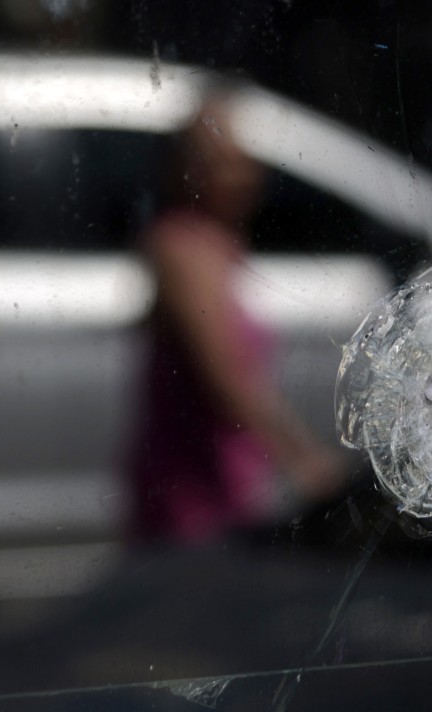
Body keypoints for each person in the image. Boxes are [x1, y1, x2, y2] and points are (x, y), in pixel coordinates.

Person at [129, 96, 346, 545]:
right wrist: (306, 460)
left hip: (226, 474)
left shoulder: (219, 244)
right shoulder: (181, 249)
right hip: (192, 484)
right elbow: (226, 376)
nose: (239, 178)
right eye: (217, 163)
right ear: (185, 169)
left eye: (243, 163)